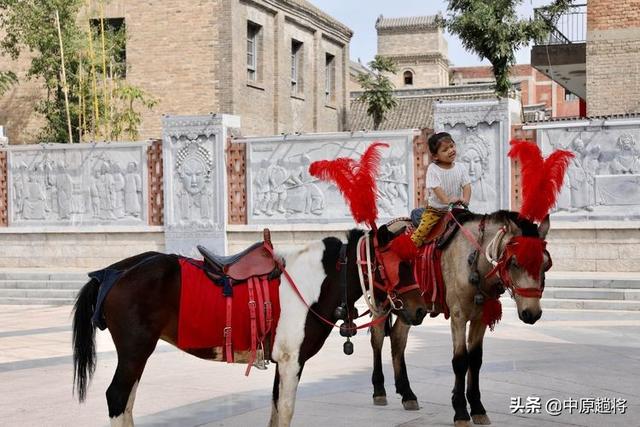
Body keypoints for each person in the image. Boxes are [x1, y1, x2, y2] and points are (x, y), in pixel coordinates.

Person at [411, 132, 471, 247]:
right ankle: (411, 250)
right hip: (436, 211)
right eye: (445, 150)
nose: (451, 150)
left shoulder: (461, 167)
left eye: (452, 146)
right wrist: (448, 200)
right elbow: (437, 189)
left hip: (456, 210)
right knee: (421, 233)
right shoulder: (433, 169)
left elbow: (466, 185)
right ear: (435, 156)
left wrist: (466, 199)